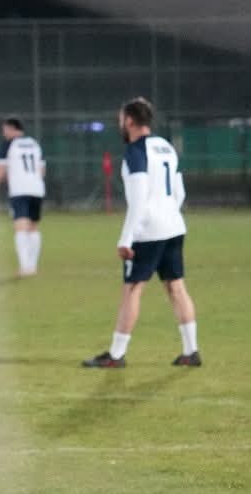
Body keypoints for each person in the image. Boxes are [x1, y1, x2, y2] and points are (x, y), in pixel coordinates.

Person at [83, 97, 200, 368]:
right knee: (176, 287)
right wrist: (168, 213)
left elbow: (138, 200)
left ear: (131, 121)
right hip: (174, 226)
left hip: (149, 232)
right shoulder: (166, 146)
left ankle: (116, 355)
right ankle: (191, 351)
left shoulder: (136, 153)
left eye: (121, 119)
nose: (119, 124)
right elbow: (179, 191)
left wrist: (126, 239)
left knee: (133, 290)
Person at [0, 116, 46, 276]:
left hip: (20, 190)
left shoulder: (8, 145)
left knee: (21, 227)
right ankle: (32, 266)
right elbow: (42, 170)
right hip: (37, 188)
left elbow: (0, 171)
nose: (4, 134)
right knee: (33, 228)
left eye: (4, 130)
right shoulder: (34, 143)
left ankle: (24, 267)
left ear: (11, 129)